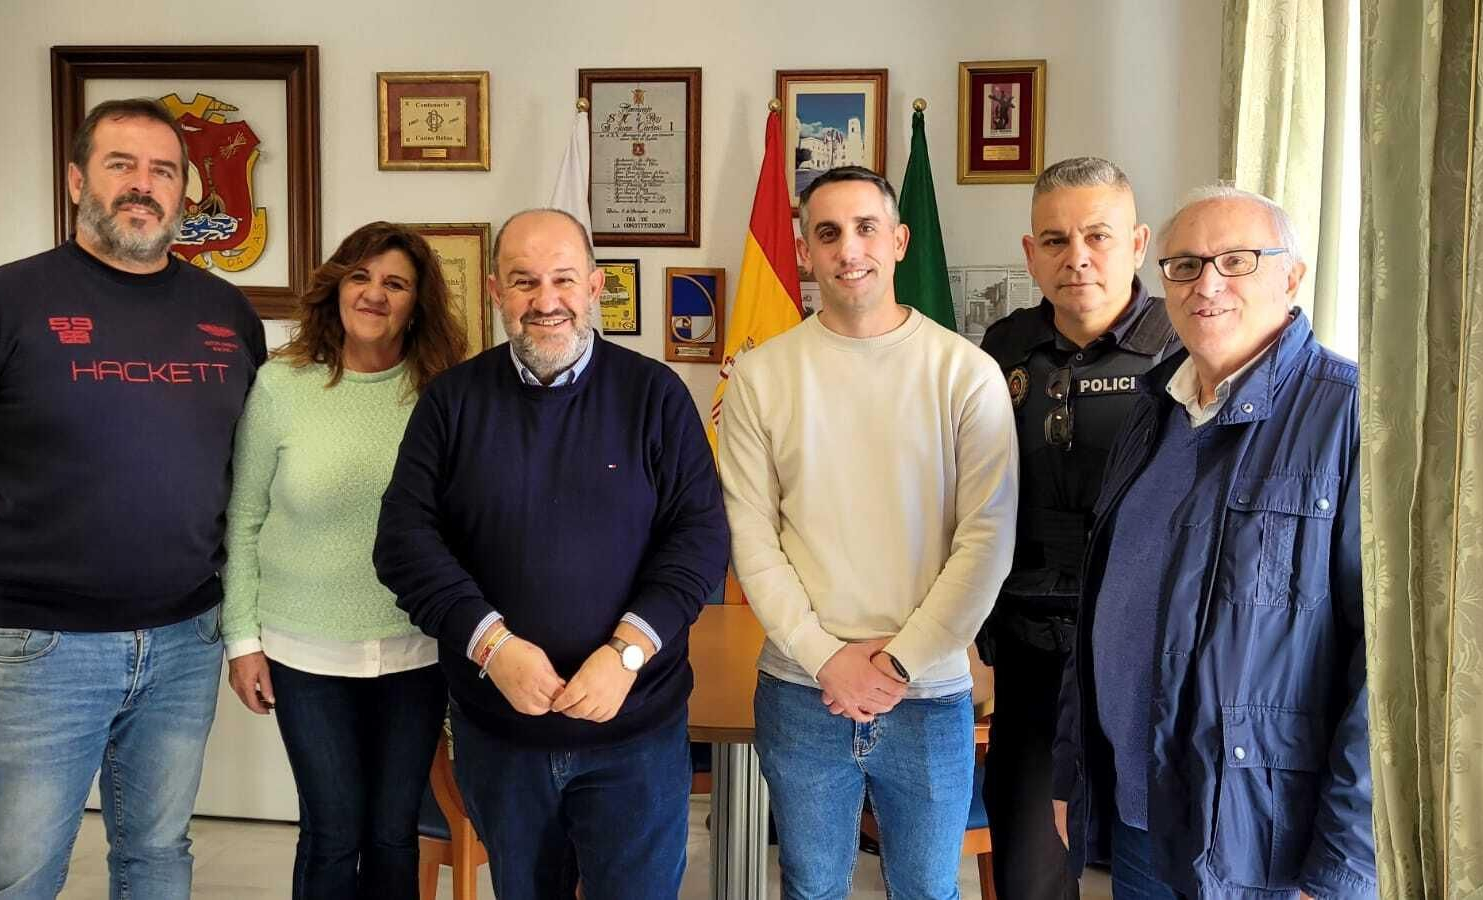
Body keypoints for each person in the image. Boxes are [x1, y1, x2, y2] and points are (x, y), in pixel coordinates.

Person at [0, 98, 266, 899]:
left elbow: (244, 470)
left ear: (187, 193)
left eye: (163, 171)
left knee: (158, 856)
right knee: (17, 876)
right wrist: (13, 555)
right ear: (79, 177)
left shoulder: (226, 315)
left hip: (187, 636)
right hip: (43, 647)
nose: (143, 186)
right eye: (122, 165)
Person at [373, 208, 728, 899]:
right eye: (524, 281)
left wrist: (626, 652)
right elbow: (404, 542)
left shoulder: (655, 395)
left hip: (637, 733)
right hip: (502, 736)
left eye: (564, 279)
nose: (546, 301)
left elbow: (701, 538)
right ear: (495, 291)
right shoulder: (451, 403)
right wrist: (491, 645)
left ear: (596, 287)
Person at [1052, 186, 1373, 899]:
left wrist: (1342, 863)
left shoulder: (1349, 416)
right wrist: (1072, 772)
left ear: (1291, 277)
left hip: (1263, 840)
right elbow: (1102, 601)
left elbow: (1382, 670)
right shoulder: (1153, 410)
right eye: (1186, 265)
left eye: (1237, 261)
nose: (1208, 285)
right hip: (1139, 822)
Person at [718, 166, 1018, 899]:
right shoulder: (761, 376)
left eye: (865, 228)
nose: (848, 248)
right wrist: (827, 660)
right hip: (802, 691)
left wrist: (897, 665)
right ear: (806, 252)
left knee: (927, 890)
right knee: (812, 887)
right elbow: (753, 538)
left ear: (899, 240)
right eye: (828, 233)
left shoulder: (965, 373)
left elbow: (987, 539)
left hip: (930, 691)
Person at [221, 221, 466, 899]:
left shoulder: (443, 391)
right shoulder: (281, 385)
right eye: (361, 277)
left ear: (418, 302)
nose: (375, 295)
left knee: (392, 832)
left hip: (416, 651)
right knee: (332, 832)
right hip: (304, 652)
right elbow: (243, 519)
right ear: (336, 287)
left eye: (396, 284)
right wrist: (242, 641)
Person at [976, 156, 1176, 899]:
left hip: (1139, 655)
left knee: (1151, 869)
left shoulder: (1179, 347)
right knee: (1031, 869)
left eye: (1098, 235)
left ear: (1138, 242)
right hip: (1029, 651)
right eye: (1055, 241)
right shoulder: (1004, 347)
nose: (1078, 257)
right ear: (1030, 254)